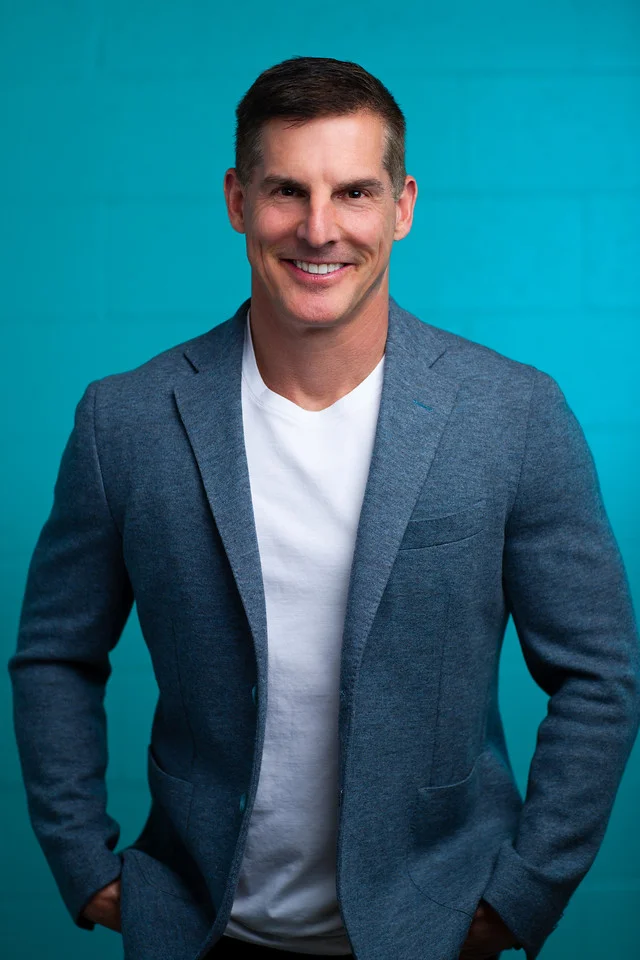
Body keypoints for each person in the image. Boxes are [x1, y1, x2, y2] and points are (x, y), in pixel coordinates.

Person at [8, 55, 640, 960]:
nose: (318, 228)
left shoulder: (514, 414)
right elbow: (55, 656)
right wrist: (87, 869)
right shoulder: (126, 422)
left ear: (401, 207)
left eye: (353, 192)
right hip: (200, 931)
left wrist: (521, 895)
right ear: (237, 201)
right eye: (286, 191)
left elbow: (599, 675)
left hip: (433, 933)